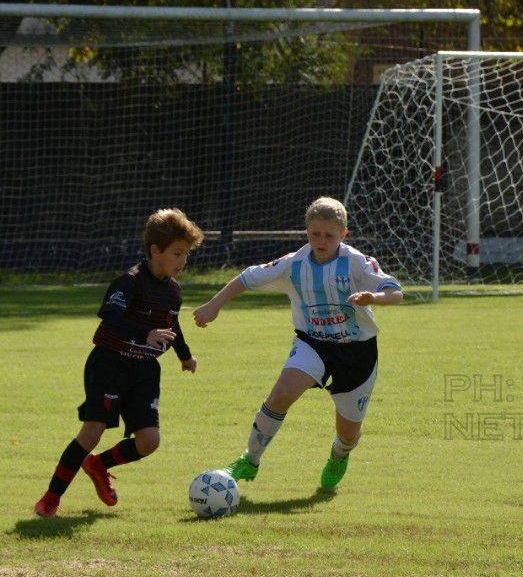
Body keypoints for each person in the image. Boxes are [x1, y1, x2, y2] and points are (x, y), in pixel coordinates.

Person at [192, 197, 402, 490]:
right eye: (315, 234)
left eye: (329, 235)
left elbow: (395, 292)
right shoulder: (294, 264)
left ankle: (339, 455)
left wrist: (374, 298)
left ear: (344, 234)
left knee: (349, 433)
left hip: (357, 352)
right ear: (307, 232)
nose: (321, 240)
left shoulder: (356, 263)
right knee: (281, 394)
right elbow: (247, 277)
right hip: (312, 343)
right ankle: (249, 460)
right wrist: (214, 305)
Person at [34, 209, 204, 517]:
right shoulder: (129, 282)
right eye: (178, 253)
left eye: (186, 255)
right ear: (156, 250)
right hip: (108, 365)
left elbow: (172, 326)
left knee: (149, 442)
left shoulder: (173, 291)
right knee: (92, 432)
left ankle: (98, 465)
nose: (183, 261)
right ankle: (50, 499)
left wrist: (184, 355)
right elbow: (110, 317)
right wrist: (146, 332)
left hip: (144, 371)